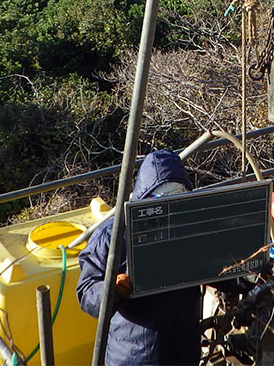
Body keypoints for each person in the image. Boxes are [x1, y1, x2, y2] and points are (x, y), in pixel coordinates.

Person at [76, 150, 200, 366]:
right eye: (160, 201)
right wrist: (111, 288)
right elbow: (86, 292)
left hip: (184, 351)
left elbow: (222, 269)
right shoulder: (112, 236)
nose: (168, 209)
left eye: (178, 198)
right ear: (144, 198)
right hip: (134, 357)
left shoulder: (192, 227)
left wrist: (249, 270)